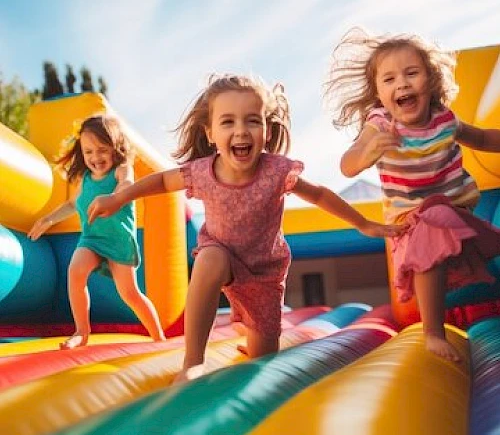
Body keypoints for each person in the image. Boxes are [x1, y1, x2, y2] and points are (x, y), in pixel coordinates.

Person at [87, 74, 405, 381]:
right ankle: (193, 362)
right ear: (210, 133)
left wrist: (362, 223)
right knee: (210, 257)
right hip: (221, 257)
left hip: (264, 274)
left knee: (263, 358)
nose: (241, 130)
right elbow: (160, 181)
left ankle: (254, 338)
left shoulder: (277, 171)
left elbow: (319, 194)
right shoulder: (201, 172)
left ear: (266, 131)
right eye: (228, 121)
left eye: (252, 120)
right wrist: (119, 197)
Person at [326, 27, 500, 362]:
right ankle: (432, 333)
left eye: (412, 73)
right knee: (430, 236)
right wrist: (367, 153)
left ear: (431, 80)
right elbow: (348, 165)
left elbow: (482, 138)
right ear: (378, 92)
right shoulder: (380, 122)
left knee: (454, 231)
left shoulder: (445, 119)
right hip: (410, 220)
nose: (402, 84)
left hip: (458, 212)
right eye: (389, 79)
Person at [28, 115, 166, 349]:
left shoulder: (121, 170)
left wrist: (115, 196)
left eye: (102, 150)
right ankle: (81, 331)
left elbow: (127, 185)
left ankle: (159, 337)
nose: (95, 157)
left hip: (118, 240)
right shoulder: (85, 179)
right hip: (91, 239)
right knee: (75, 271)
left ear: (115, 148)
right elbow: (73, 204)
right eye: (88, 151)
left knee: (130, 294)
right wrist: (48, 219)